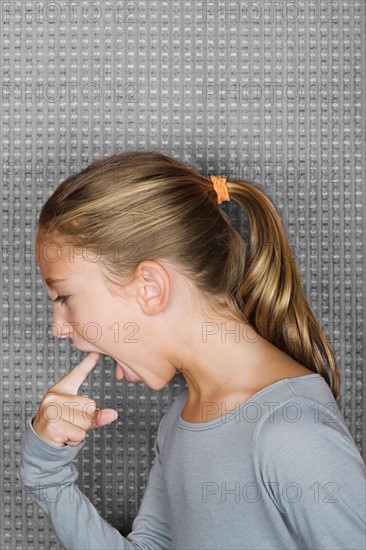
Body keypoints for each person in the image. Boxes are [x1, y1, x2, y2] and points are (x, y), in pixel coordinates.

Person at [17, 151, 366, 550]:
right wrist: (45, 476)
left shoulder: (291, 434)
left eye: (63, 296)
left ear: (149, 287)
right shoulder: (183, 417)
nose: (58, 328)